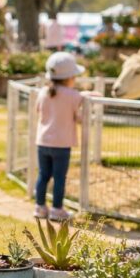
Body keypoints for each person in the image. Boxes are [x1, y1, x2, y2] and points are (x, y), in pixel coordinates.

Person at [34, 52, 85, 221]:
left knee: (43, 175)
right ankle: (57, 209)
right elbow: (78, 116)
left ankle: (39, 207)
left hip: (43, 142)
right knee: (59, 178)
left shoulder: (43, 92)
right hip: (62, 145)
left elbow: (38, 110)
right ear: (69, 77)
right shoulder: (73, 95)